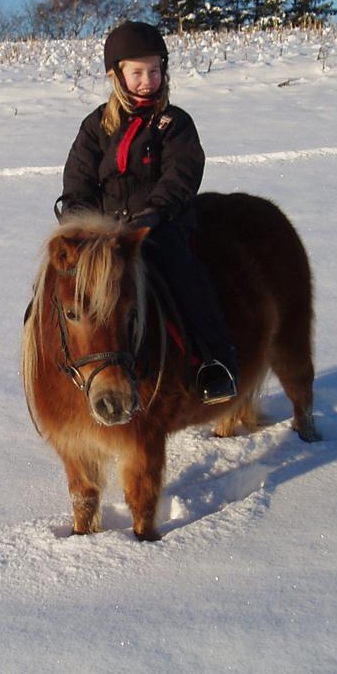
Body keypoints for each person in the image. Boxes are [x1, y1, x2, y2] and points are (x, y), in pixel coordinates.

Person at [56, 21, 238, 405]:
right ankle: (62, 361)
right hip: (105, 238)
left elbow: (181, 176)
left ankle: (215, 363)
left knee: (185, 276)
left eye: (154, 71)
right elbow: (78, 178)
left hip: (160, 229)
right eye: (137, 72)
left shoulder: (175, 124)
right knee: (64, 288)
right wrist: (81, 220)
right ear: (116, 75)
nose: (147, 80)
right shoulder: (96, 127)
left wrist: (153, 215)